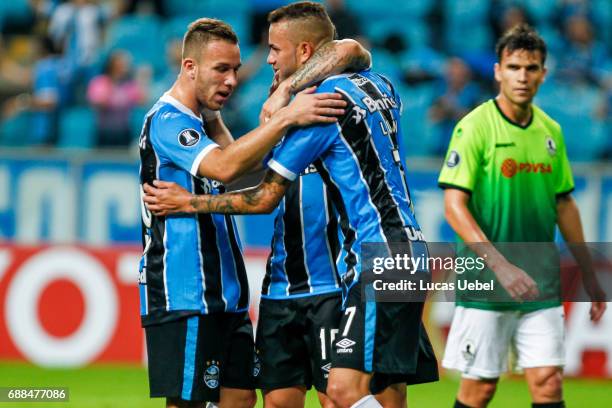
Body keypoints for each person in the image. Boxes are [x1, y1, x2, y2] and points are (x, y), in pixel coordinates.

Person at [142, 4, 439, 408]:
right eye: (223, 69)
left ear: (303, 53)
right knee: (306, 395)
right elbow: (351, 50)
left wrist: (189, 201)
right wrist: (270, 110)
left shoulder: (318, 109)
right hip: (379, 256)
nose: (267, 60)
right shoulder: (379, 85)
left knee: (350, 392)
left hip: (364, 263)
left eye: (274, 49)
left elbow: (263, 195)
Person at [437, 24, 607, 408]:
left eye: (531, 68)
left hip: (541, 282)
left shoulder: (551, 132)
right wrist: (502, 267)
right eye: (514, 67)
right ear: (498, 70)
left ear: (543, 74)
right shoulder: (474, 127)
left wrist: (591, 276)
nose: (522, 76)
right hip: (486, 281)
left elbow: (564, 205)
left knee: (548, 384)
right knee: (480, 389)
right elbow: (453, 206)